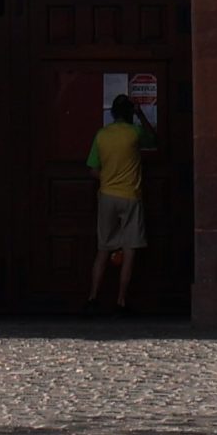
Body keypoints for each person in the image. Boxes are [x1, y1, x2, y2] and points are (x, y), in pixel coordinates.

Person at [85, 93, 154, 310]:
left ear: (112, 113)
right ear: (129, 113)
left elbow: (93, 170)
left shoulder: (101, 135)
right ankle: (121, 300)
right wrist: (141, 114)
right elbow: (153, 140)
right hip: (131, 195)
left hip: (107, 195)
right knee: (130, 249)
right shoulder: (135, 133)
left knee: (103, 249)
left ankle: (93, 297)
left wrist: (108, 177)